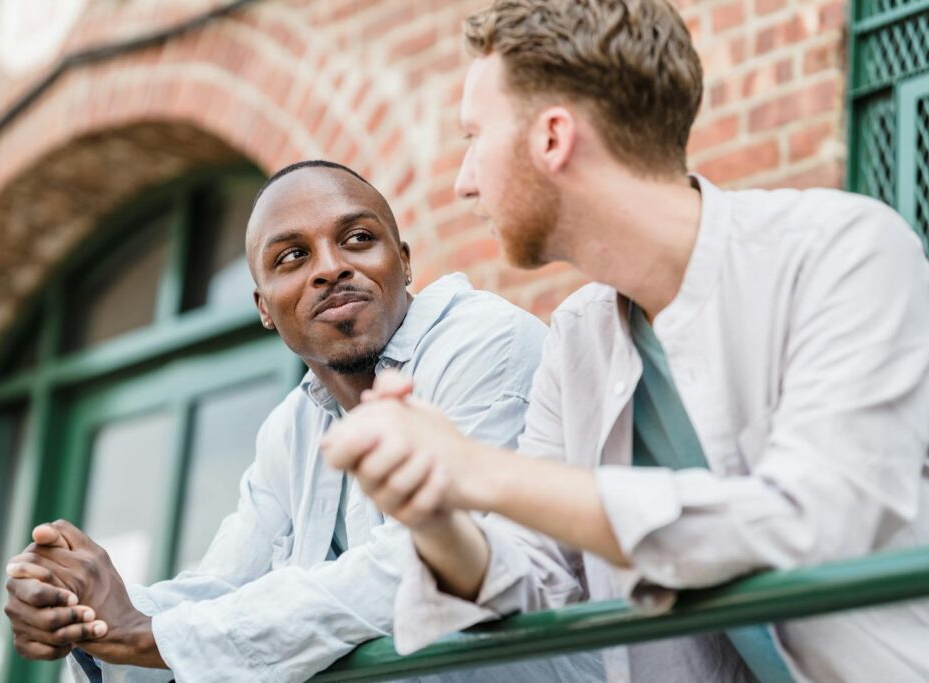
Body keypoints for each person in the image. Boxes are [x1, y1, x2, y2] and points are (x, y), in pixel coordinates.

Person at [321, 1, 929, 681]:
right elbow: (535, 576)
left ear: (552, 138)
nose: (464, 182)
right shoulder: (576, 339)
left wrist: (474, 467)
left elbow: (815, 522)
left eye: (473, 137)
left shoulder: (845, 252)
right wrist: (433, 508)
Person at [2, 160, 605, 682]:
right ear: (264, 307)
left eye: (358, 239)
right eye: (292, 256)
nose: (330, 267)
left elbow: (423, 567)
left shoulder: (484, 343)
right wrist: (91, 612)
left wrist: (147, 635)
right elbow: (223, 587)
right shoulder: (289, 429)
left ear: (404, 261)